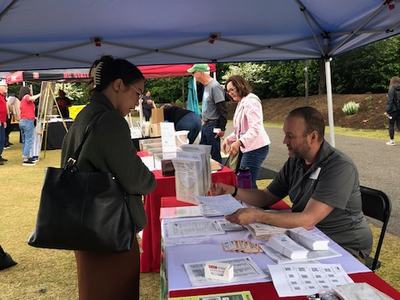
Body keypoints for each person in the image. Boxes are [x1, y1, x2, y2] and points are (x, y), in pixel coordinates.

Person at [212, 106, 372, 258]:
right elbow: (267, 196)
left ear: (313, 137)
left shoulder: (339, 166)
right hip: (307, 236)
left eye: (290, 136)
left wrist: (257, 216)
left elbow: (308, 219)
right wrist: (233, 191)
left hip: (342, 244)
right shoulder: (296, 160)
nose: (284, 141)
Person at [61, 55, 156, 300]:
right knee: (116, 292)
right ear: (118, 85)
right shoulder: (110, 121)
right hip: (109, 229)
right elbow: (135, 178)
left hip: (85, 223)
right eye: (137, 93)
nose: (137, 102)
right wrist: (150, 179)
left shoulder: (86, 115)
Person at [223, 75, 271, 188]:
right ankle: (254, 203)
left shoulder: (251, 101)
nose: (230, 93)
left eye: (232, 90)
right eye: (228, 91)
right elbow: (240, 130)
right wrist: (228, 139)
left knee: (246, 183)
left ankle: (255, 204)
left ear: (240, 86)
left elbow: (255, 128)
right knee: (245, 181)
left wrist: (239, 142)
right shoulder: (242, 102)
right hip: (249, 147)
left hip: (256, 148)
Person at [188, 64, 227, 163]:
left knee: (214, 155)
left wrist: (222, 128)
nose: (193, 75)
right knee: (202, 153)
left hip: (213, 125)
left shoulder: (214, 86)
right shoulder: (207, 86)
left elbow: (222, 108)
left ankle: (218, 176)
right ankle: (206, 174)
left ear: (200, 72)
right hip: (206, 125)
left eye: (194, 73)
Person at [19, 86, 41, 166]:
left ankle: (26, 156)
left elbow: (27, 110)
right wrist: (40, 93)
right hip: (27, 121)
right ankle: (25, 159)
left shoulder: (22, 100)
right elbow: (31, 98)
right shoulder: (26, 97)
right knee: (29, 140)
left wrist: (34, 117)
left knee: (25, 140)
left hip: (23, 121)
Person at [385, 76, 400, 146]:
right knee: (399, 125)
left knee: (391, 125)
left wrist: (387, 110)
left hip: (393, 110)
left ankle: (392, 141)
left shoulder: (391, 88)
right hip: (399, 110)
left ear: (392, 81)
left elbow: (390, 101)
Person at [0, 81, 7, 164]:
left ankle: (0, 155)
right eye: (5, 86)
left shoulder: (2, 96)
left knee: (2, 139)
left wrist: (4, 121)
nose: (6, 88)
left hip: (2, 121)